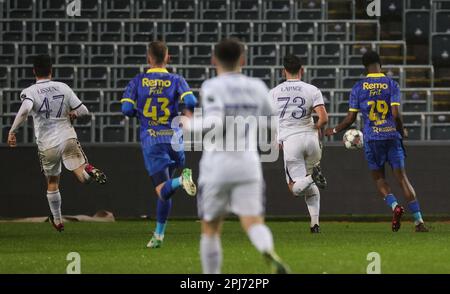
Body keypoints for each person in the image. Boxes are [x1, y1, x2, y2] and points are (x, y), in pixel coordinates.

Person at [189, 38, 290, 273]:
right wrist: (273, 139)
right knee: (253, 222)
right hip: (248, 164)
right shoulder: (256, 86)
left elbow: (214, 121)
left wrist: (187, 124)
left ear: (214, 60)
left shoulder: (212, 86)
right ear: (242, 60)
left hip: (217, 166)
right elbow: (271, 120)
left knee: (211, 228)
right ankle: (266, 249)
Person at [325, 51, 428, 232]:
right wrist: (401, 130)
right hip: (391, 138)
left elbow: (350, 119)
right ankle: (419, 221)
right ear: (380, 64)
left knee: (379, 178)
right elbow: (395, 115)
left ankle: (395, 206)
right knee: (402, 179)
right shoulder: (391, 84)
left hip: (372, 139)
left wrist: (334, 130)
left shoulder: (358, 87)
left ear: (365, 67)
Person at [7, 54, 107, 232]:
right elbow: (83, 111)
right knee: (82, 176)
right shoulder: (63, 87)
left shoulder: (30, 91)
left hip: (47, 145)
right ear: (51, 70)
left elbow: (24, 111)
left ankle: (58, 221)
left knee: (52, 182)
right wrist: (73, 114)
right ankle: (89, 170)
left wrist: (13, 130)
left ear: (34, 71)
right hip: (67, 137)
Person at [121, 41, 198, 248]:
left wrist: (142, 114)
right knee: (166, 189)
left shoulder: (137, 81)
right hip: (174, 140)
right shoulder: (176, 79)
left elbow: (127, 110)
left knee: (162, 189)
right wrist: (186, 114)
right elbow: (190, 100)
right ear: (168, 58)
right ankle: (159, 236)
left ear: (148, 59)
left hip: (153, 139)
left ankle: (183, 180)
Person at [270, 54, 328, 233]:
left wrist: (276, 139)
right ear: (302, 70)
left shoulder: (273, 92)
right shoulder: (312, 89)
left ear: (283, 71)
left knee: (296, 188)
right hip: (311, 140)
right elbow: (324, 118)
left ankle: (313, 177)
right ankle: (315, 224)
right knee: (309, 184)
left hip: (291, 141)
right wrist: (316, 128)